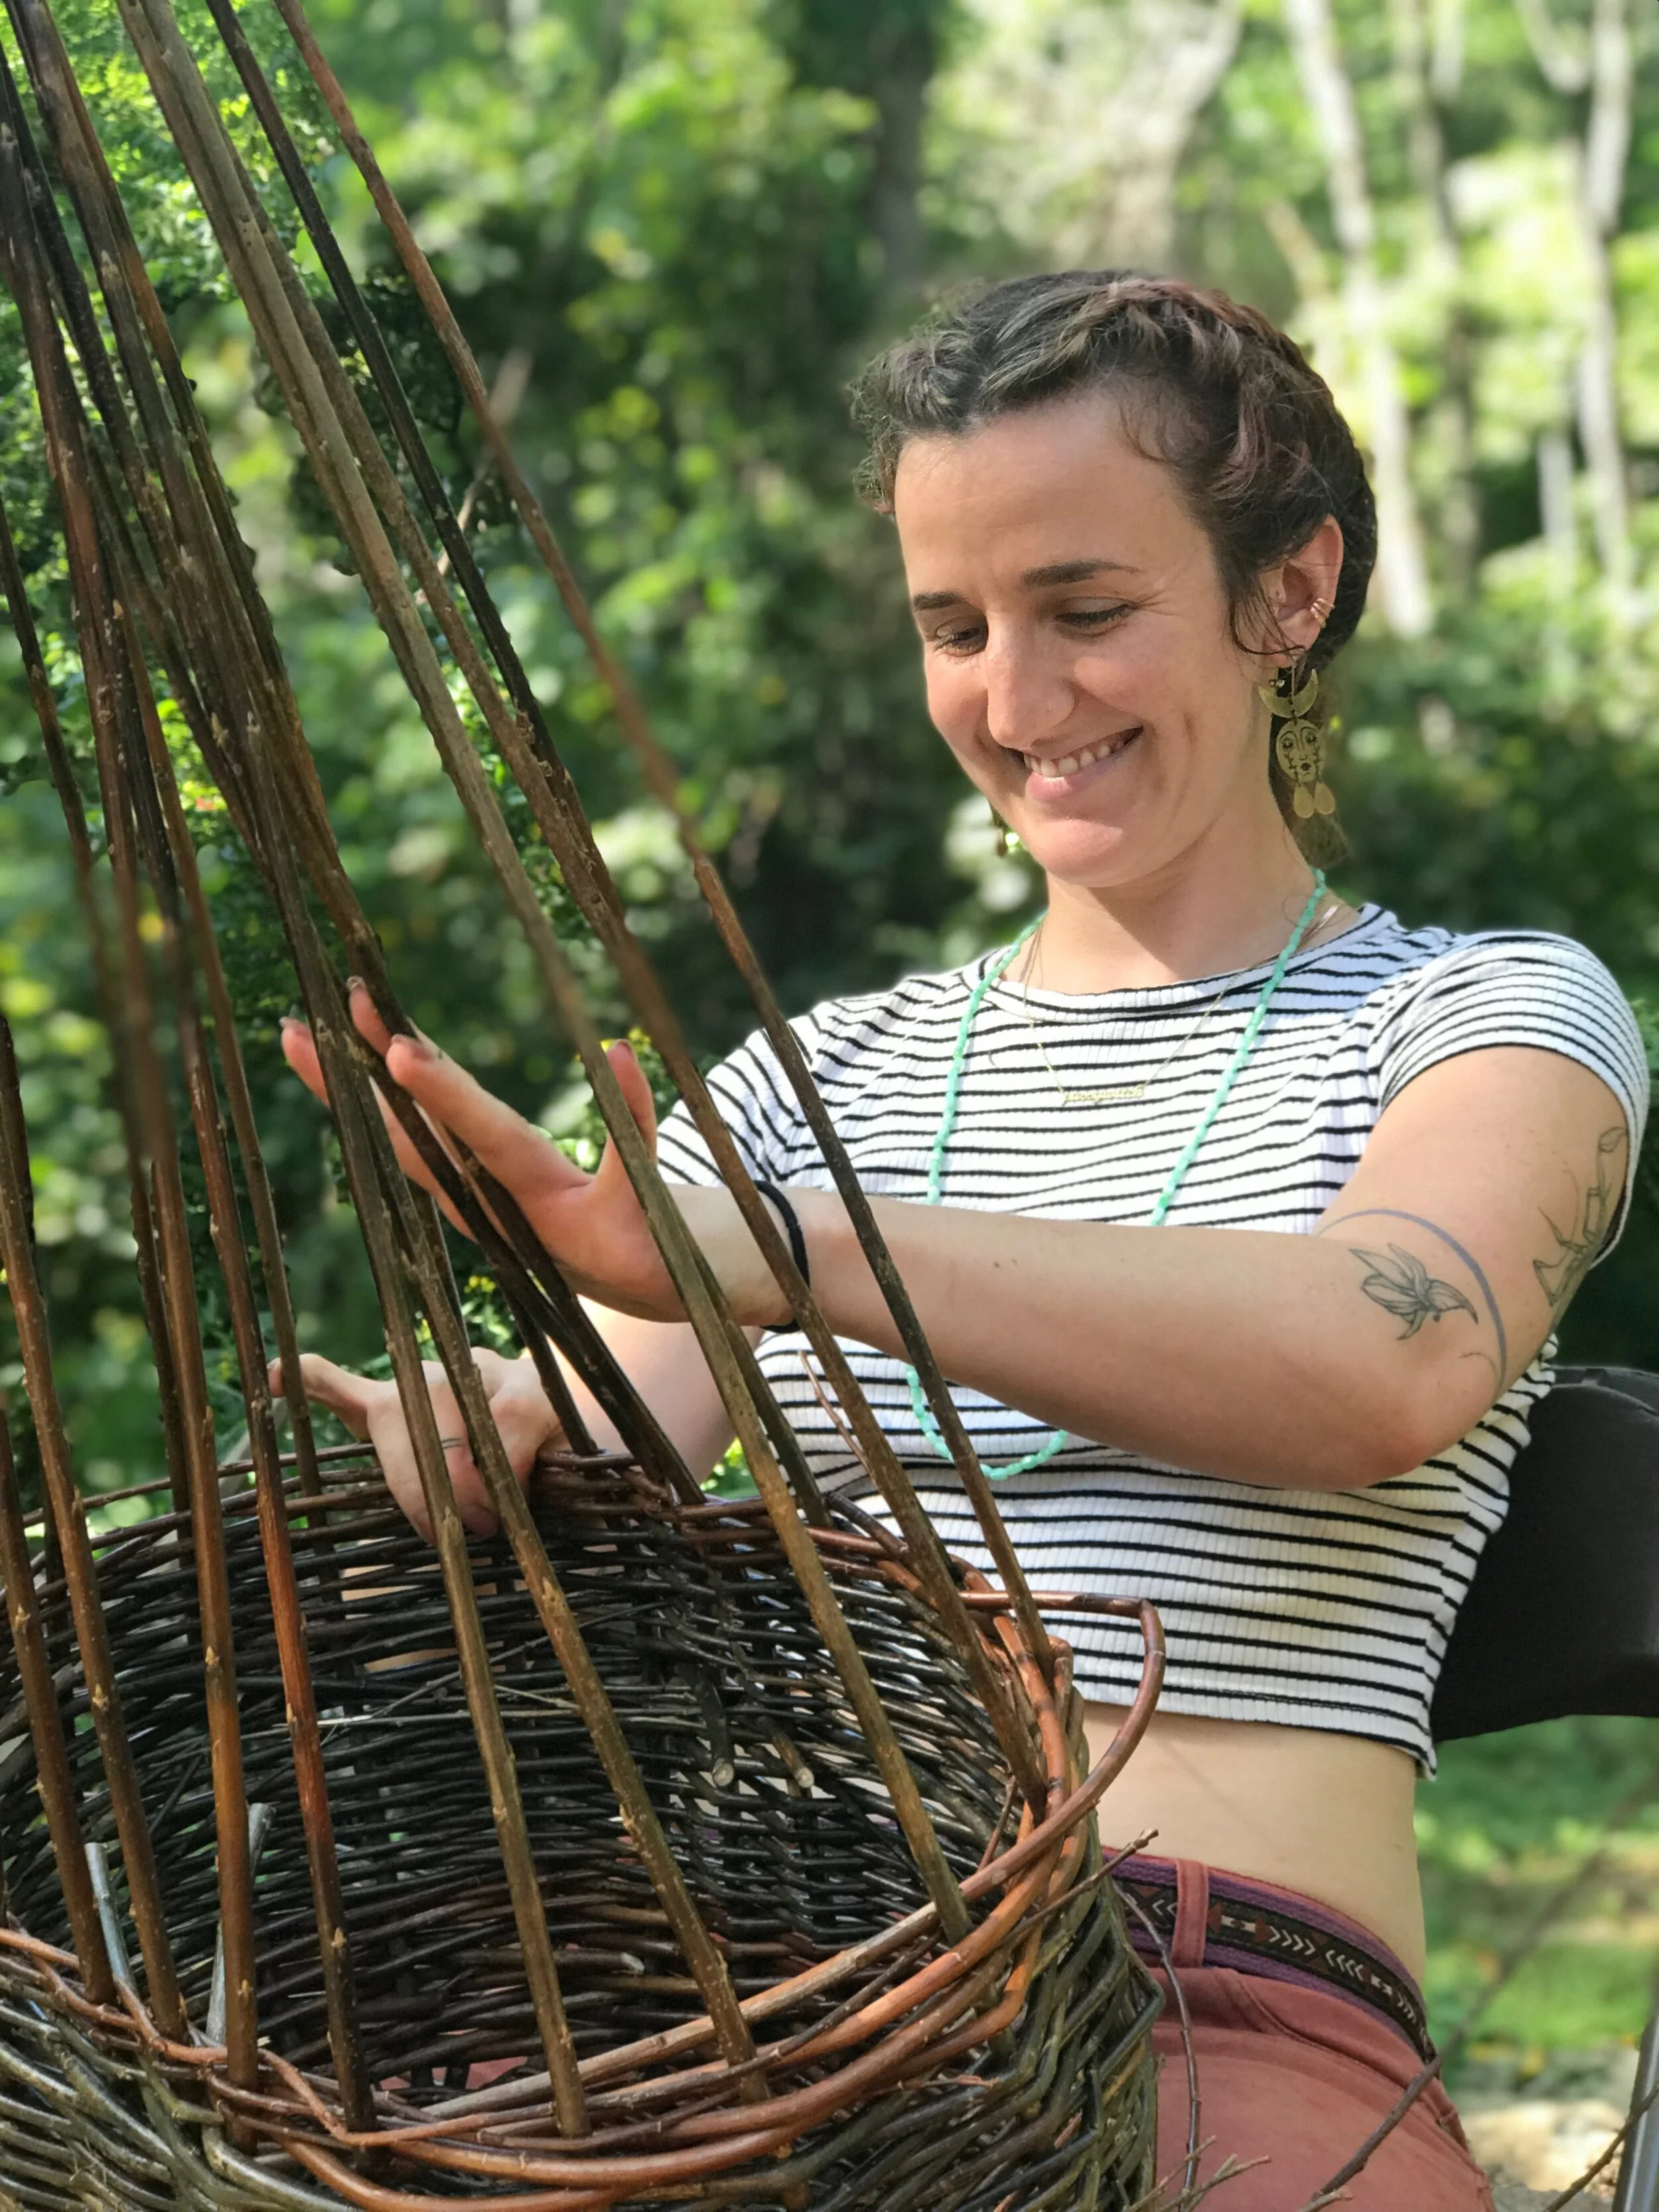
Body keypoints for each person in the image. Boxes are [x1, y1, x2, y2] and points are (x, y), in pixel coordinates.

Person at [274, 273, 1647, 2210]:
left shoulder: (1483, 1018)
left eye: (1087, 610)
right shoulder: (821, 1078)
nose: (1015, 703)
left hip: (1218, 1999)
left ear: (1290, 589)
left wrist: (788, 1245)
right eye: (954, 627)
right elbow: (598, 1448)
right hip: (771, 1992)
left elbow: (1377, 1358)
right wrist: (485, 1425)